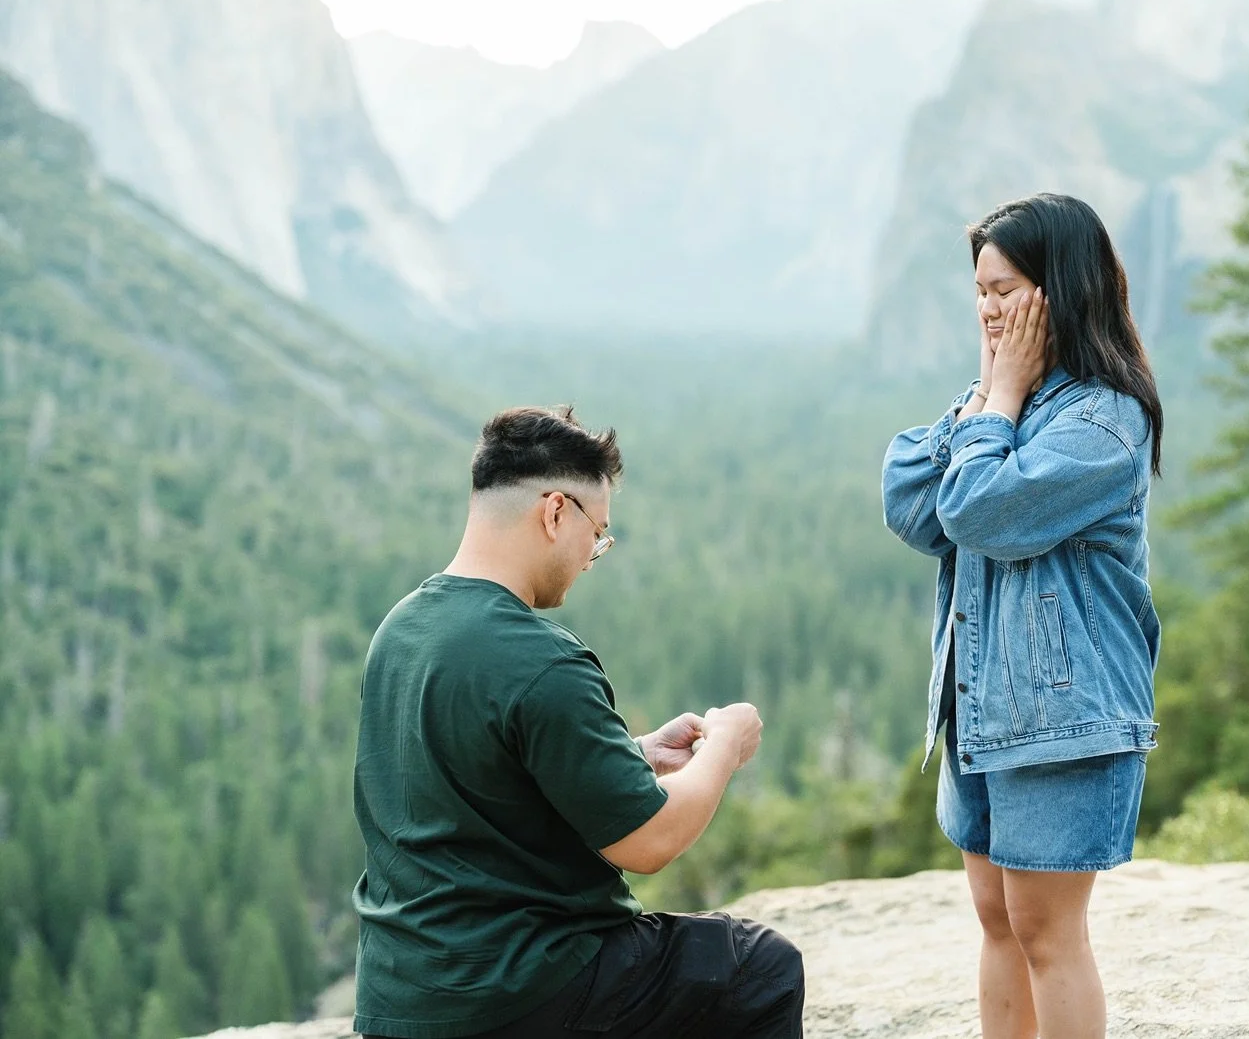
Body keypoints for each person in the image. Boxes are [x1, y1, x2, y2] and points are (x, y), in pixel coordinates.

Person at [352, 405, 804, 1039]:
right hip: (518, 990)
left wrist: (634, 754)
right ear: (556, 512)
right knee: (758, 969)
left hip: (402, 994)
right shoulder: (541, 659)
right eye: (599, 532)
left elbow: (478, 776)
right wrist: (723, 750)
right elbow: (648, 843)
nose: (596, 553)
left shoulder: (400, 628)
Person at [881, 193, 1163, 1039]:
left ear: (1059, 289)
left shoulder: (1104, 419)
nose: (987, 309)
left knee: (1047, 927)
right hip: (980, 702)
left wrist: (992, 404)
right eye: (980, 290)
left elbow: (976, 510)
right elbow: (908, 498)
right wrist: (992, 401)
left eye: (1004, 289)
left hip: (1062, 714)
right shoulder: (1003, 402)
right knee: (996, 916)